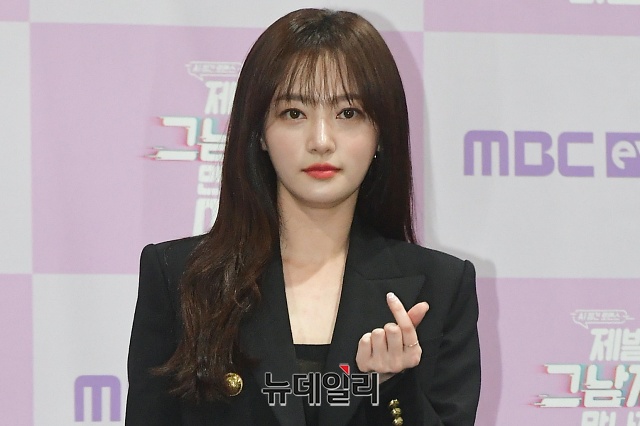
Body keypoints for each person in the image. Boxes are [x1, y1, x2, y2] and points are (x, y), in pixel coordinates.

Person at [126, 8, 480, 426]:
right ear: (259, 132)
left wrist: (390, 388)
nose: (321, 140)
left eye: (348, 113)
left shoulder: (440, 287)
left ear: (381, 133)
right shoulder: (182, 278)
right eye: (294, 113)